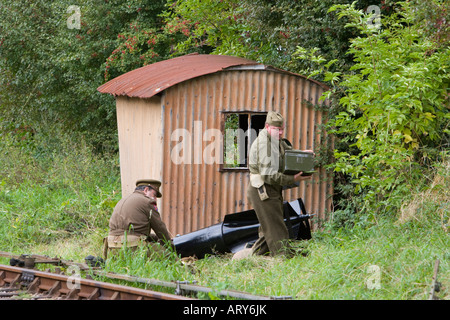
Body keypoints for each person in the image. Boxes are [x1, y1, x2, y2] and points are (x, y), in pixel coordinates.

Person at [245, 111, 312, 258]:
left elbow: (288, 153)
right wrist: (293, 178)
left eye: (282, 129)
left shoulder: (275, 140)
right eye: (277, 129)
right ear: (267, 126)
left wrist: (303, 154)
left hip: (271, 189)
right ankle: (284, 258)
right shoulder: (265, 145)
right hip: (262, 190)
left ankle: (251, 259)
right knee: (276, 227)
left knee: (269, 227)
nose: (280, 132)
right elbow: (268, 175)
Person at [104, 179, 173, 259]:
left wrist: (154, 238)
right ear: (146, 190)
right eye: (154, 195)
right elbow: (160, 228)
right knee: (172, 259)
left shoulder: (123, 200)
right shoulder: (147, 202)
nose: (155, 199)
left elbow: (129, 231)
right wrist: (171, 246)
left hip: (113, 249)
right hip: (132, 248)